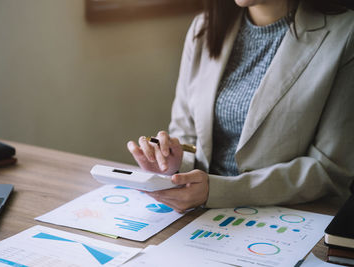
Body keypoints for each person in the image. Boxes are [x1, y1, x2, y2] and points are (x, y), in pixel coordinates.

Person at [127, 0, 354, 213]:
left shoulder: (345, 34)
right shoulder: (203, 28)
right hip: (199, 215)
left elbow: (329, 171)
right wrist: (173, 166)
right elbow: (185, 134)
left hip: (287, 217)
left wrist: (219, 191)